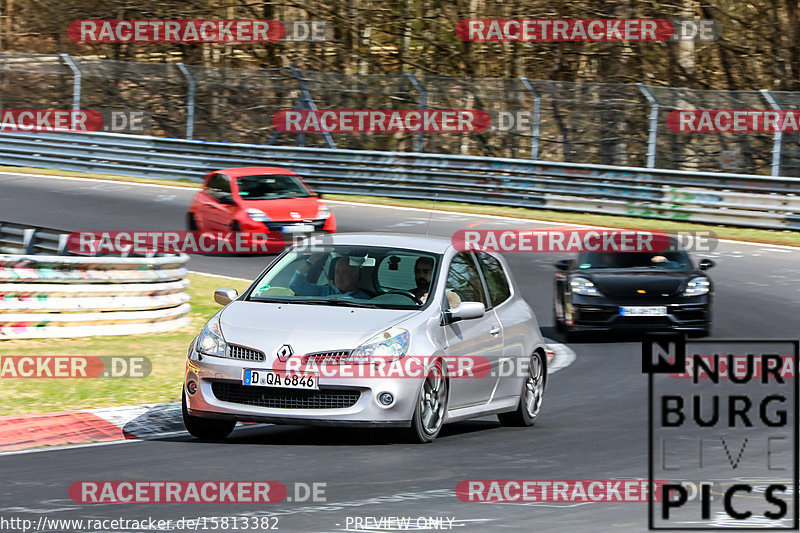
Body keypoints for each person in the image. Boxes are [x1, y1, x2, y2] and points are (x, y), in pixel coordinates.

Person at [290, 253, 371, 299]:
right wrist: (311, 262)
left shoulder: (364, 299)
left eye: (344, 272)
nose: (339, 276)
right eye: (337, 272)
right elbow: (295, 285)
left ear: (355, 276)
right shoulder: (324, 291)